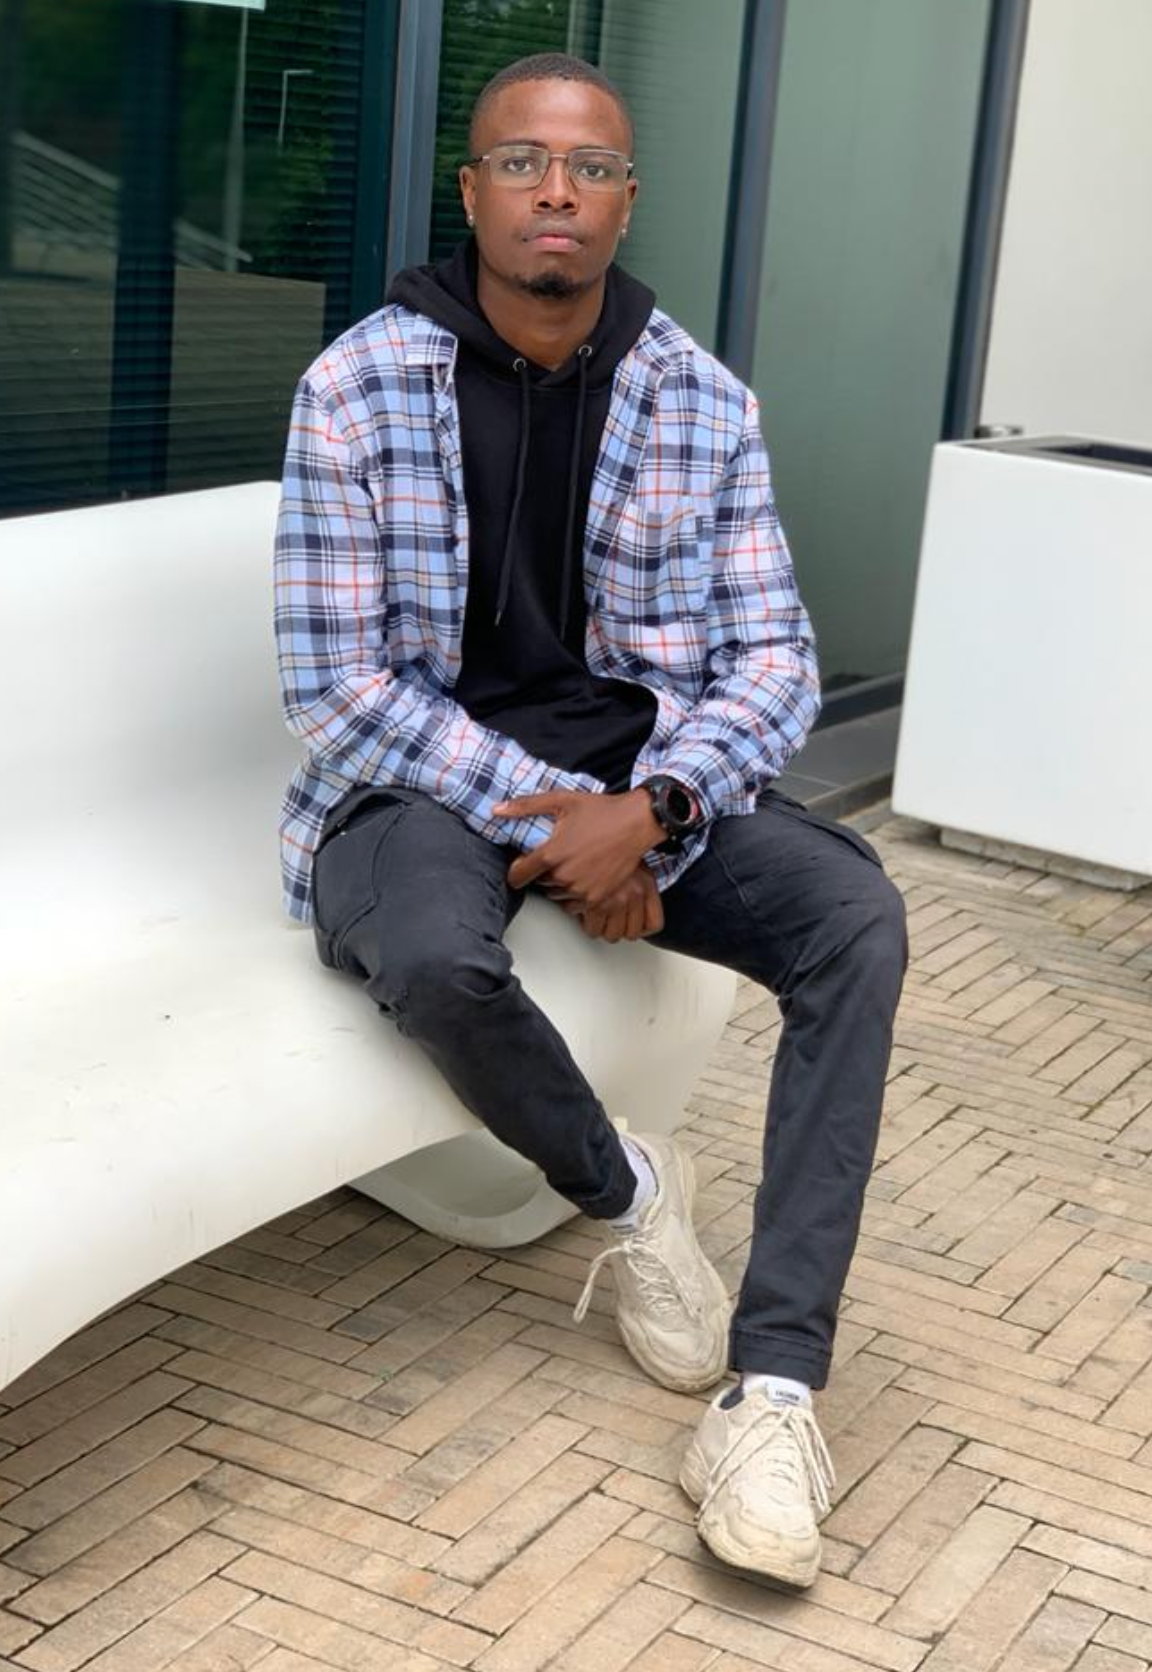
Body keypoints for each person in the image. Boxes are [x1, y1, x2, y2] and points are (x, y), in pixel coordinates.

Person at [275, 52, 907, 1588]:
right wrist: (559, 820)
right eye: (523, 162)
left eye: (592, 169)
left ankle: (770, 1392)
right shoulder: (358, 384)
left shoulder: (700, 398)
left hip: (636, 785)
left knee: (855, 920)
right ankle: (628, 1199)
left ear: (626, 198)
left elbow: (772, 660)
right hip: (419, 780)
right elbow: (335, 682)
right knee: (428, 956)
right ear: (472, 187)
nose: (557, 193)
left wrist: (659, 807)